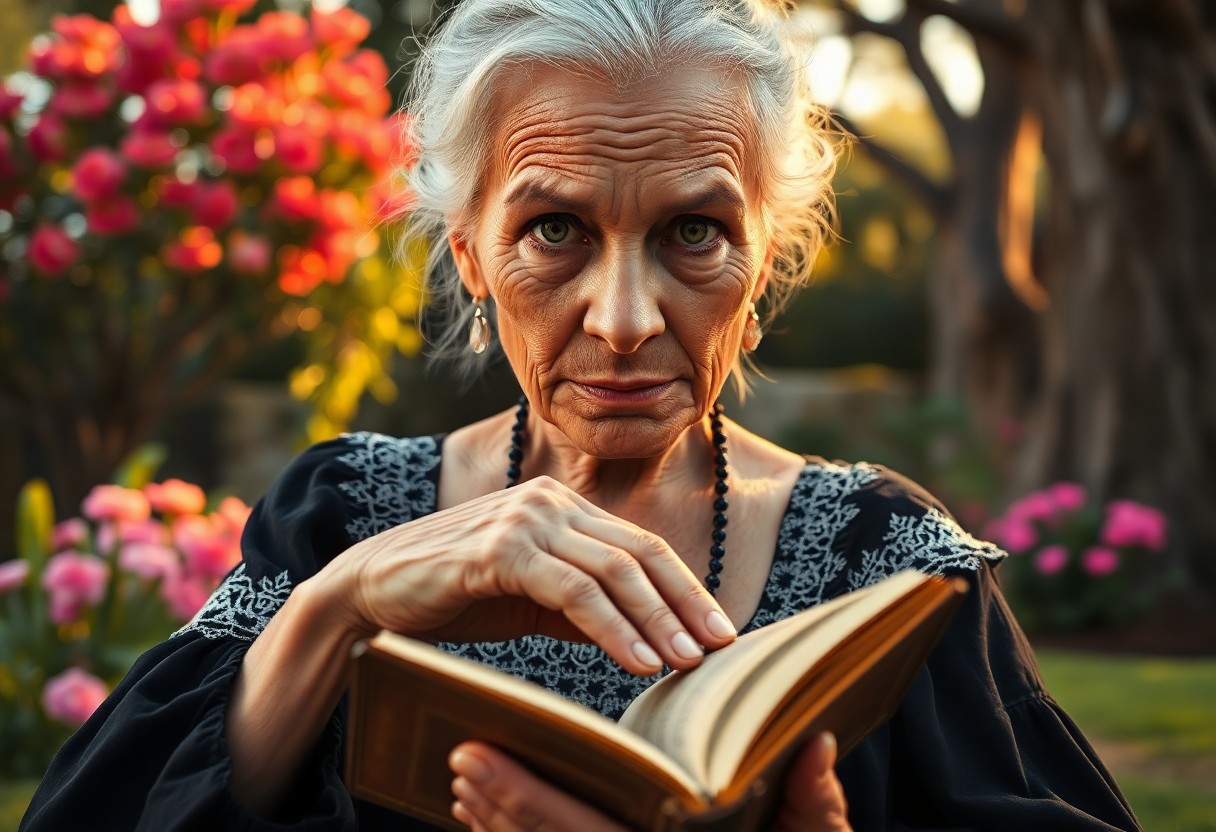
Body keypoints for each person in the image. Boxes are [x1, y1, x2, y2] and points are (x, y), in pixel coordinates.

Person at [23, 0, 1140, 830]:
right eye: (554, 230)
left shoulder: (887, 564)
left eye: (693, 232)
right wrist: (334, 610)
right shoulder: (337, 517)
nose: (621, 318)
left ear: (762, 262)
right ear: (471, 257)